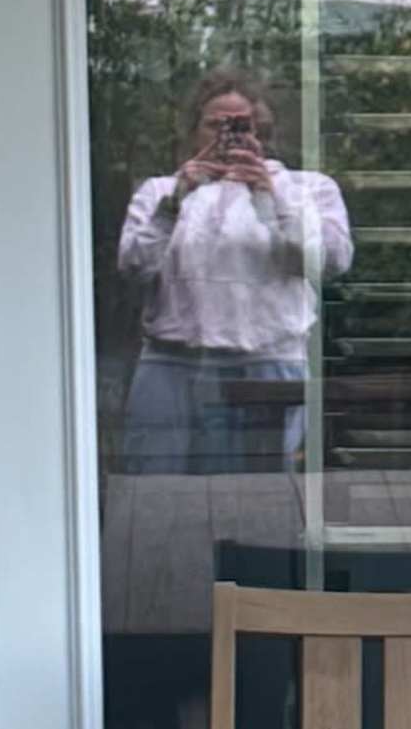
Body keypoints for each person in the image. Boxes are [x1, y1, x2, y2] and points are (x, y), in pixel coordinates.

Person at [114, 71, 351, 476]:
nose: (230, 136)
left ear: (262, 129)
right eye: (217, 125)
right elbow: (133, 267)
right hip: (174, 366)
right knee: (155, 495)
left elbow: (330, 262)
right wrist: (176, 202)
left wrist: (272, 198)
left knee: (262, 500)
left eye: (242, 125)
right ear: (194, 131)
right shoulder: (159, 192)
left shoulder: (308, 188)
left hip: (270, 364)